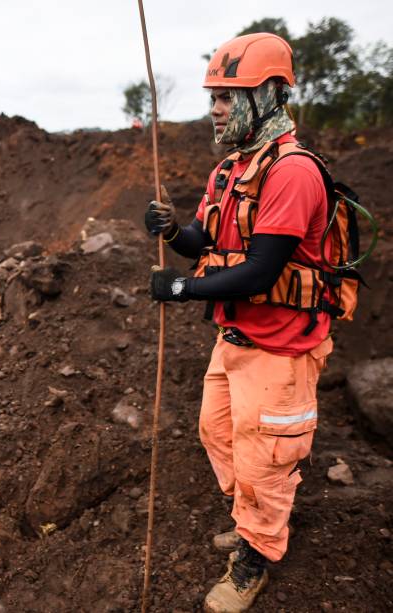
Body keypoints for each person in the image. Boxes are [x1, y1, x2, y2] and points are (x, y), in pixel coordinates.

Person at [145, 33, 335, 613]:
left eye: (231, 95)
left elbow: (259, 271)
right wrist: (176, 233)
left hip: (281, 348)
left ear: (271, 95)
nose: (217, 107)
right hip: (236, 338)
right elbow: (210, 238)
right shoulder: (231, 168)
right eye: (214, 97)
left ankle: (256, 554)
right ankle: (253, 516)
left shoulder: (293, 173)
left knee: (264, 459)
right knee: (216, 434)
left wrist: (181, 288)